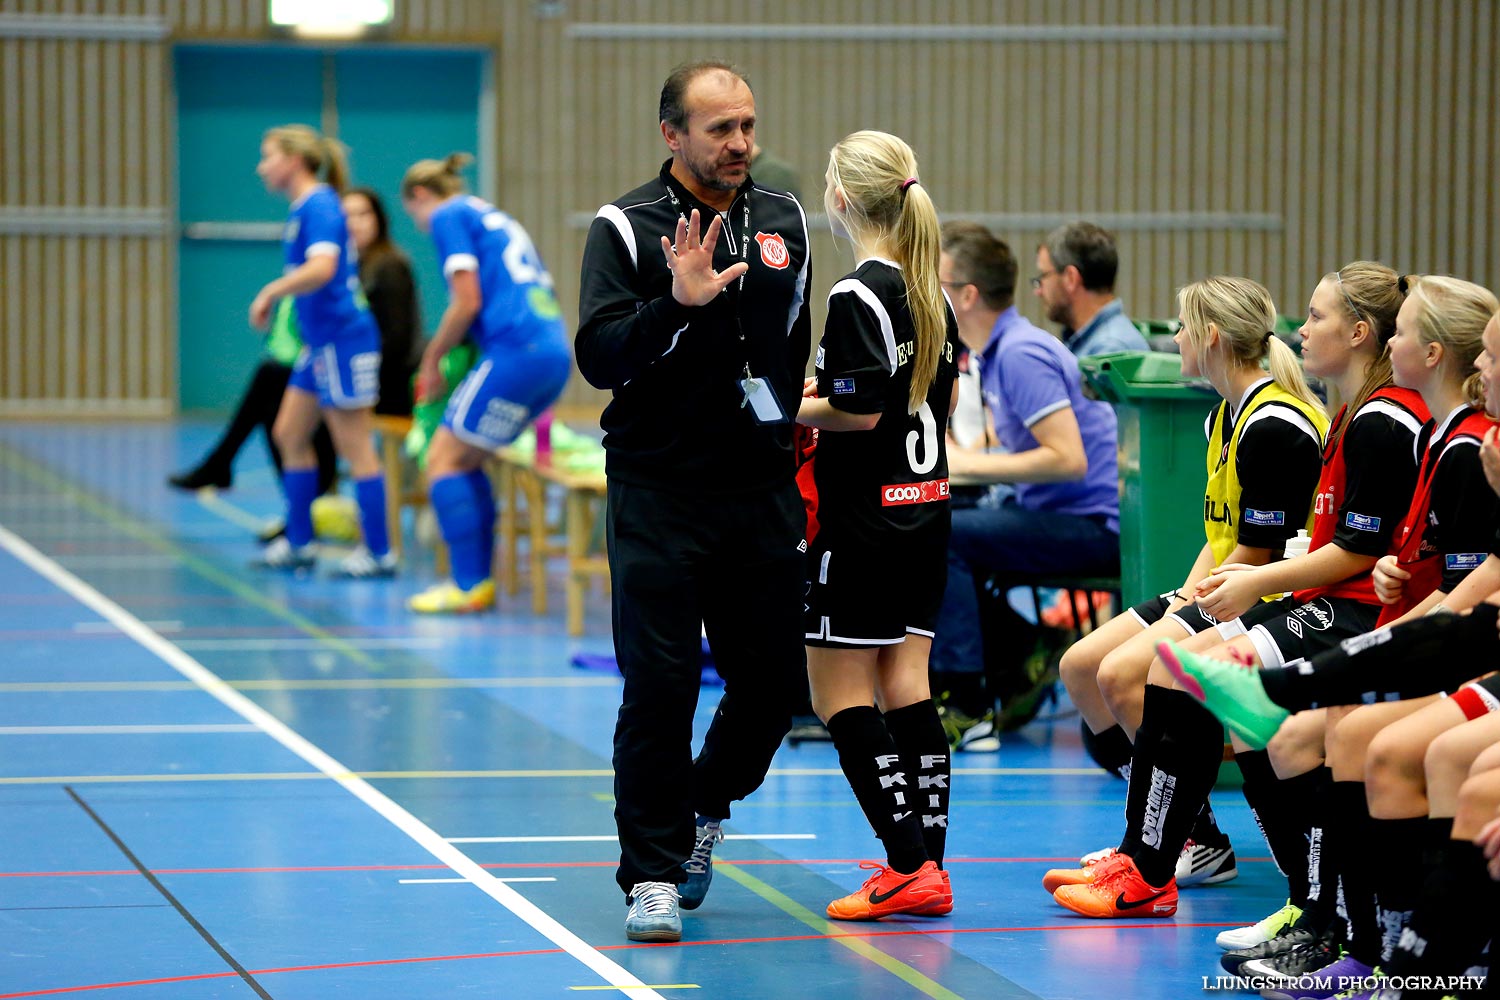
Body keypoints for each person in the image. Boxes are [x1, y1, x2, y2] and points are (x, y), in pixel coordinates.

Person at [575, 61, 812, 943]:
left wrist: (790, 430)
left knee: (773, 686)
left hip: (758, 490)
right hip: (658, 490)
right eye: (719, 129)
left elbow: (792, 342)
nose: (740, 144)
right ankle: (652, 875)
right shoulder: (626, 227)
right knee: (661, 687)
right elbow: (599, 356)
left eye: (746, 125)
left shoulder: (782, 219)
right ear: (672, 135)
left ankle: (704, 805)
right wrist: (674, 305)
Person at [1042, 275, 1329, 915]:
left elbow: (1262, 552)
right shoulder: (1222, 414)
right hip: (1230, 578)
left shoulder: (1276, 424)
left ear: (1213, 338)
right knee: (1080, 668)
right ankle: (1195, 838)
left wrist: (1182, 618)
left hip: (1275, 593)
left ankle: (1155, 849)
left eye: (1181, 328)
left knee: (1127, 674)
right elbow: (1221, 535)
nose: (1173, 340)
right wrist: (1182, 600)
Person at [798, 131, 958, 921]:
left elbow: (857, 413)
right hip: (925, 513)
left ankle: (904, 863)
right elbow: (925, 408)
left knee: (839, 697)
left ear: (840, 199)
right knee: (906, 685)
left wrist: (787, 408)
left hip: (862, 525)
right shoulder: (935, 294)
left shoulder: (858, 293)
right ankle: (927, 865)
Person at [931, 222, 1123, 751]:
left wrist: (964, 467)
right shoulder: (1001, 349)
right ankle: (1024, 648)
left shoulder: (1018, 353)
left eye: (938, 283)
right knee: (931, 521)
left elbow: (1067, 459)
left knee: (943, 532)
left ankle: (969, 708)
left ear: (966, 295)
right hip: (1059, 516)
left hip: (1092, 528)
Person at [399, 154, 571, 614]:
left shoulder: (447, 214)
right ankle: (476, 582)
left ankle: (469, 583)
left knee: (443, 458)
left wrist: (432, 359)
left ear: (418, 198)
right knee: (468, 459)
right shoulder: (487, 212)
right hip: (550, 352)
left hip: (517, 351)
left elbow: (466, 300)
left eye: (412, 215)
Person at [250, 125, 395, 578]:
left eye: (268, 156)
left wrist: (272, 292)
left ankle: (379, 552)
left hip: (344, 339)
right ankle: (299, 543)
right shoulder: (305, 208)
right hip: (321, 343)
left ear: (294, 160)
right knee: (289, 434)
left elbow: (323, 267)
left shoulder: (320, 206)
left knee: (355, 447)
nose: (261, 166)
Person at [166, 300, 338, 502]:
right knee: (269, 397)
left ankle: (220, 464)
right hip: (299, 375)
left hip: (321, 384)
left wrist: (270, 293)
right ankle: (298, 511)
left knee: (269, 385)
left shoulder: (326, 284)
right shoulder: (299, 288)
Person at [343, 186, 421, 419]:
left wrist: (359, 371)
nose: (355, 223)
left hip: (391, 378)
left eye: (363, 214)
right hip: (363, 372)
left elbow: (397, 339)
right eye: (347, 216)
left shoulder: (390, 265)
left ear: (379, 219)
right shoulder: (349, 266)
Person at [1032, 221, 1149, 357]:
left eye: (1043, 276)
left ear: (1071, 278)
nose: (1038, 291)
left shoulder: (1110, 351)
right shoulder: (1091, 342)